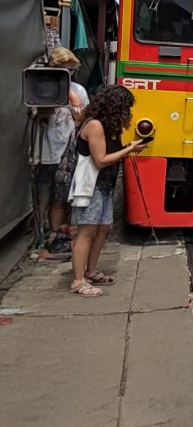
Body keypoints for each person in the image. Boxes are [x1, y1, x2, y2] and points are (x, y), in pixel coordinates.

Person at [70, 86, 145, 297]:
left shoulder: (109, 127)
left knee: (103, 228)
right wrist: (129, 150)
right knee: (86, 232)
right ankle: (78, 281)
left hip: (105, 184)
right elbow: (101, 160)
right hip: (91, 185)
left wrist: (129, 146)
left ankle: (91, 270)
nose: (128, 113)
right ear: (116, 108)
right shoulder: (94, 125)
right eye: (126, 108)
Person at [36, 47, 89, 257]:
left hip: (69, 152)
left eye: (70, 71)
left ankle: (60, 234)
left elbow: (83, 118)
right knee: (44, 196)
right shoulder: (41, 87)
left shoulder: (79, 91)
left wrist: (68, 94)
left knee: (64, 197)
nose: (68, 74)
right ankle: (45, 236)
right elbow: (33, 115)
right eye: (63, 70)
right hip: (46, 151)